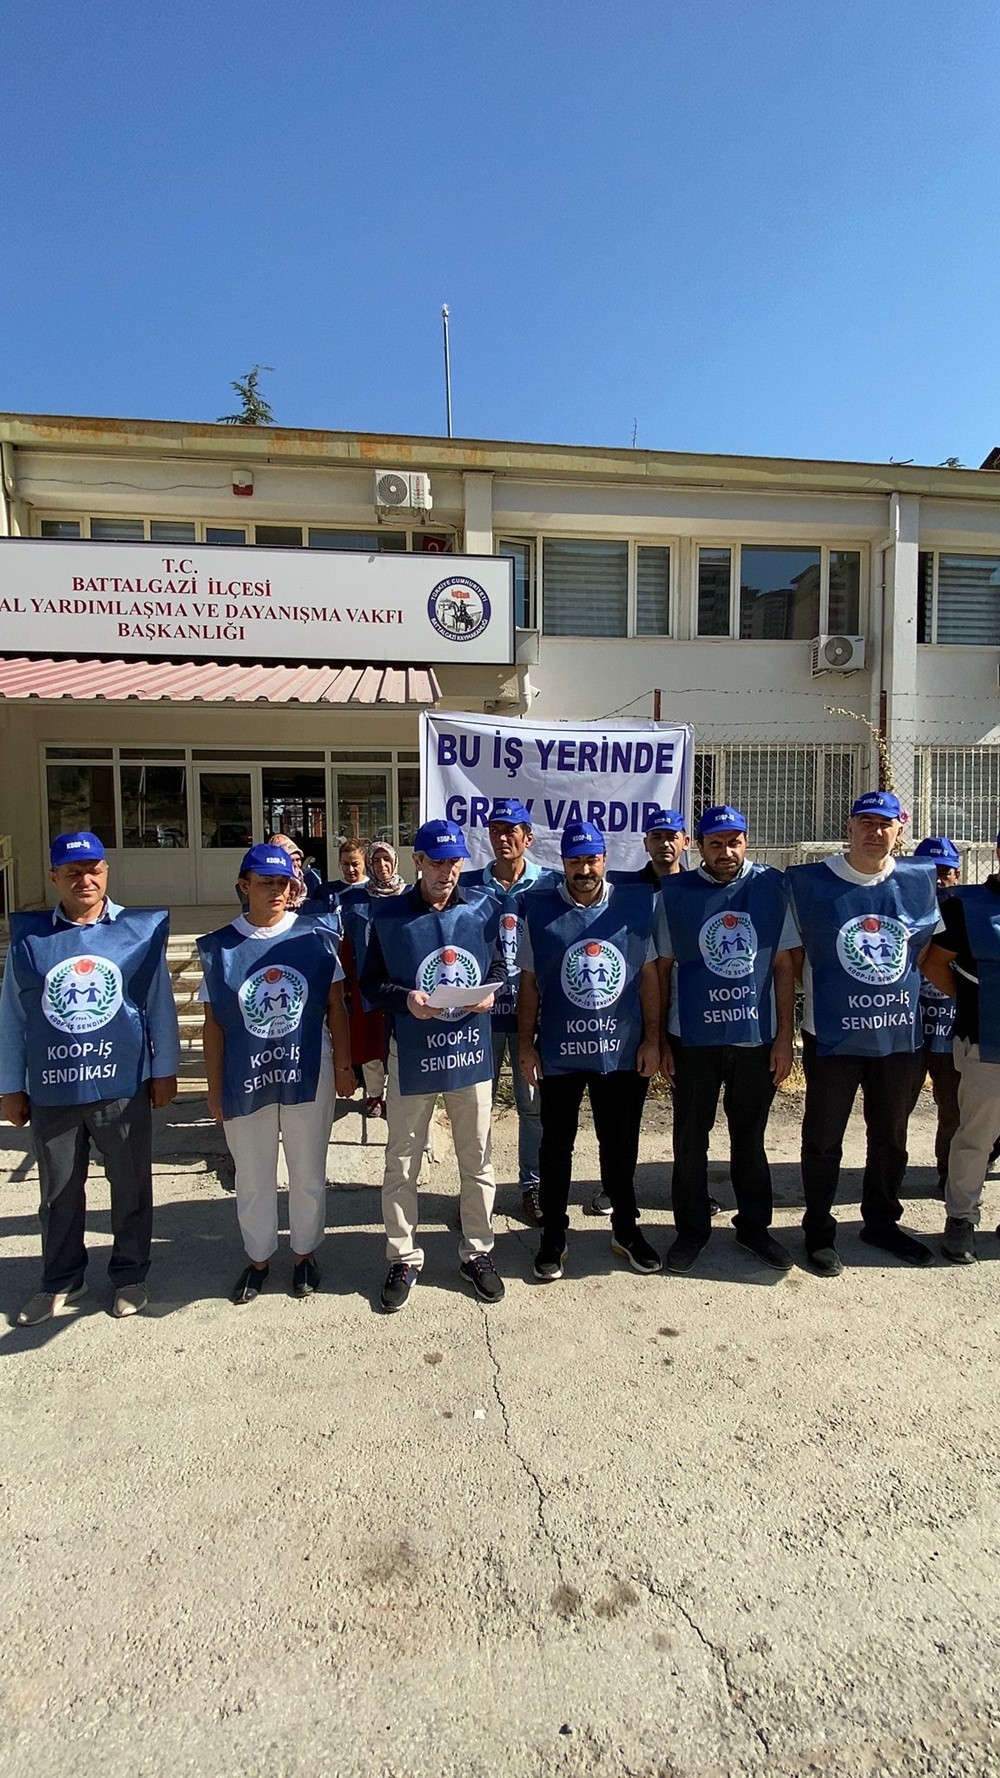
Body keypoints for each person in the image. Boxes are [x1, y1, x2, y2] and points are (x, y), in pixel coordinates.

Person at [0, 831, 179, 1324]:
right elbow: (13, 1016)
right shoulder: (30, 939)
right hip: (53, 1087)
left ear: (106, 872)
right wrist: (10, 1085)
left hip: (121, 1085)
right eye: (73, 872)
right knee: (58, 1191)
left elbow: (158, 1004)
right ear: (54, 877)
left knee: (130, 1184)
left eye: (94, 869)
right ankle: (61, 1279)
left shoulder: (137, 932)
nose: (85, 879)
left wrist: (164, 1069)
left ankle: (130, 1275)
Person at [787, 790, 941, 1276]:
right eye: (866, 823)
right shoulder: (810, 882)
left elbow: (923, 952)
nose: (876, 832)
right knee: (823, 1137)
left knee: (891, 1135)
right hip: (831, 1034)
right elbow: (794, 954)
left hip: (897, 1035)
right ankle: (818, 1230)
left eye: (885, 824)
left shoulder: (918, 880)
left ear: (900, 831)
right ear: (849, 827)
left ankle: (881, 1222)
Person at [359, 819, 505, 1313]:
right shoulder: (388, 916)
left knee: (477, 1156)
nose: (447, 871)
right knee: (402, 1159)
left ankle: (478, 1252)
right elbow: (370, 984)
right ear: (418, 861)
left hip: (469, 1051)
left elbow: (500, 965)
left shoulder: (483, 906)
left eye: (455, 862)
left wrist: (491, 993)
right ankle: (402, 1256)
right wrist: (406, 999)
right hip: (413, 1054)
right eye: (437, 862)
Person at [198, 843, 354, 1304]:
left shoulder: (316, 936)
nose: (276, 891)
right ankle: (258, 1257)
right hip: (245, 1075)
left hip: (308, 1069)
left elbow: (336, 1007)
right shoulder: (220, 947)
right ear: (244, 886)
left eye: (284, 883)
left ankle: (305, 1252)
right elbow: (213, 1025)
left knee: (308, 1169)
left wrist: (344, 1066)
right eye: (266, 882)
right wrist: (213, 1089)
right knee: (252, 1173)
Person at [517, 820, 662, 1281]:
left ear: (605, 860)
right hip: (559, 1049)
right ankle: (553, 1235)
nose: (584, 869)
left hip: (620, 1050)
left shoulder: (635, 904)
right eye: (575, 861)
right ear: (562, 863)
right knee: (556, 1145)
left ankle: (626, 1229)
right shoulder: (537, 908)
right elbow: (529, 983)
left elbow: (649, 976)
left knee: (619, 1144)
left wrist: (653, 1040)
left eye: (591, 859)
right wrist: (525, 1045)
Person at [656, 804, 798, 1273]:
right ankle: (691, 1231)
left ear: (746, 842)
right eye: (715, 843)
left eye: (734, 842)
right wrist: (660, 1040)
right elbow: (662, 969)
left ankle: (754, 1229)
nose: (725, 851)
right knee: (689, 1140)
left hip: (755, 1038)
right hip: (692, 1038)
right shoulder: (675, 893)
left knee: (749, 1138)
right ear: (698, 846)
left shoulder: (772, 887)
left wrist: (784, 1038)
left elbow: (783, 966)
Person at [462, 797, 558, 1225]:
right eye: (496, 830)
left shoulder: (549, 885)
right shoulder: (469, 885)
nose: (503, 838)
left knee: (532, 1106)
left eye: (511, 830)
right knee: (475, 1109)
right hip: (481, 1015)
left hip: (531, 1016)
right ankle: (475, 1195)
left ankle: (532, 1186)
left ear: (528, 837)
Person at [920, 830, 1000, 1262]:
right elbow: (934, 964)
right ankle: (961, 1219)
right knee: (975, 1137)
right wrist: (971, 1000)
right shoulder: (965, 905)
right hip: (987, 1044)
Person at [907, 837, 963, 1196]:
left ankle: (950, 1175)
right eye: (928, 872)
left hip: (950, 1029)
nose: (938, 879)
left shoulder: (964, 912)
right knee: (894, 1111)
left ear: (957, 875)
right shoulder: (902, 907)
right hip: (905, 1028)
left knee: (954, 1110)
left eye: (944, 872)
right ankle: (884, 1175)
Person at [338, 840, 409, 1117]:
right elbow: (348, 944)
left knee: (401, 1041)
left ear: (395, 861)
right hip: (366, 983)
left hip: (402, 981)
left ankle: (400, 1095)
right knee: (371, 1042)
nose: (381, 865)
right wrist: (347, 984)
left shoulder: (409, 896)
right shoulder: (358, 900)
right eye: (376, 860)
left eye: (386, 859)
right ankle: (375, 1094)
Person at [309, 839, 369, 913]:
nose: (350, 869)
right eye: (346, 864)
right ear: (340, 862)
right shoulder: (326, 891)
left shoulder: (373, 891)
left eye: (355, 864)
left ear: (365, 862)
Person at [267, 833, 309, 908]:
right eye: (292, 860)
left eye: (298, 859)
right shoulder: (267, 880)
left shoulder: (304, 878)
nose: (296, 864)